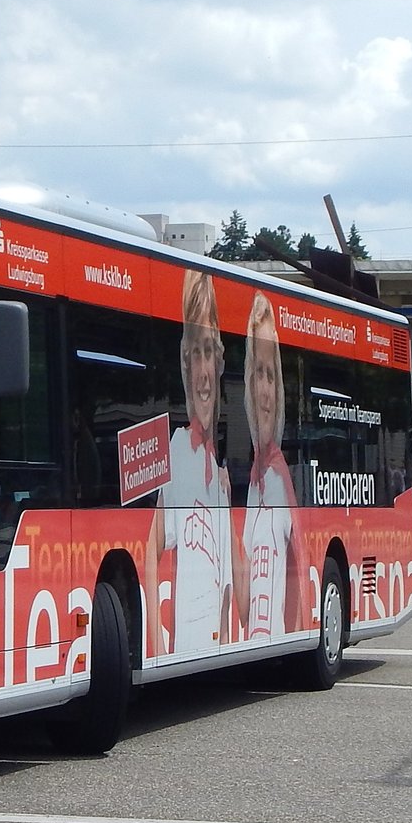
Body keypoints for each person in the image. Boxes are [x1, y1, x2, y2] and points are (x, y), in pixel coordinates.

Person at [145, 270, 240, 657]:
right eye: (194, 354)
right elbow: (149, 556)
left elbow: (231, 592)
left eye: (209, 352)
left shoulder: (217, 470)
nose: (202, 372)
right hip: (183, 646)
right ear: (185, 364)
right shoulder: (178, 449)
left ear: (220, 362)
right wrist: (155, 642)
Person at [240, 291, 312, 639]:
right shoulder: (254, 477)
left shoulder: (279, 476)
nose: (265, 390)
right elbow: (244, 605)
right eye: (258, 374)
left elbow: (299, 598)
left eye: (271, 375)